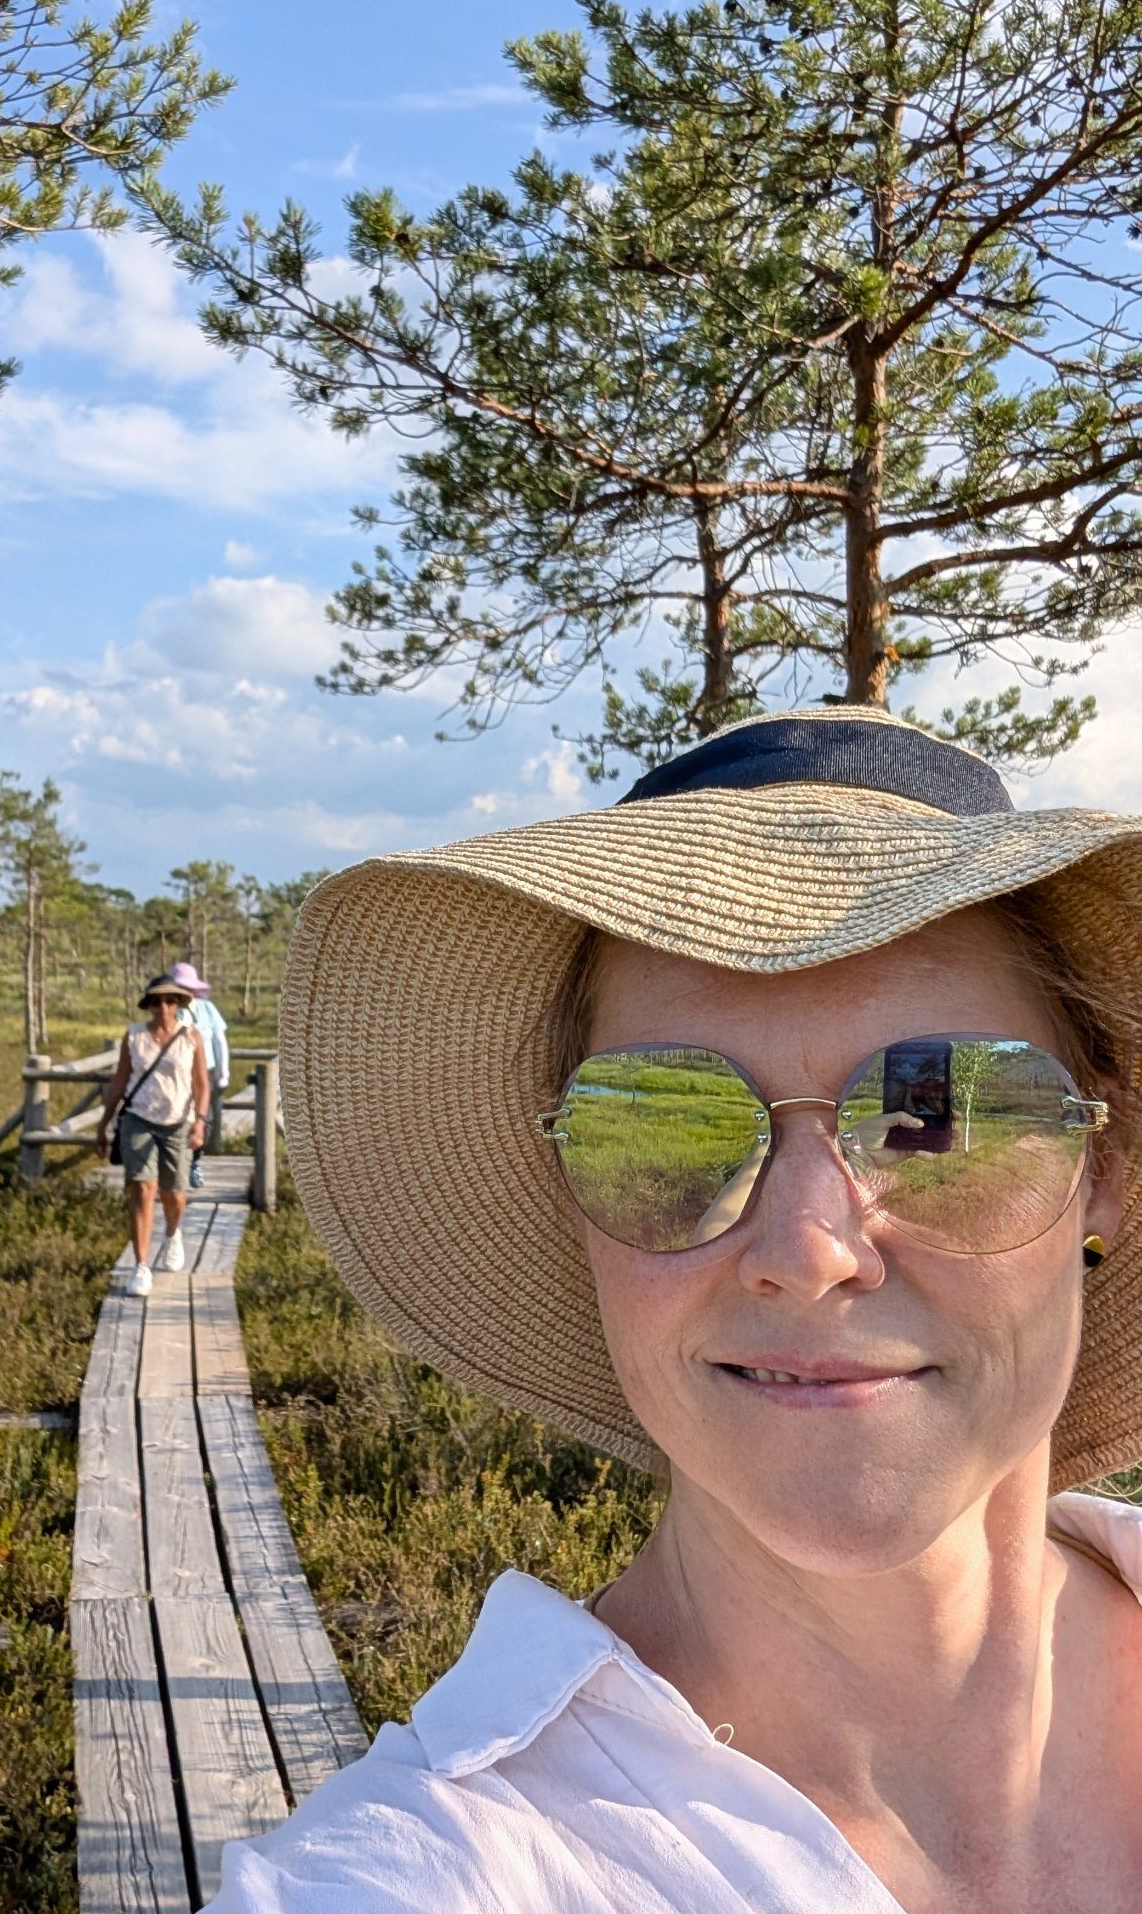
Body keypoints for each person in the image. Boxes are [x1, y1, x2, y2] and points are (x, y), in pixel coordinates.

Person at [207, 706, 1142, 1913]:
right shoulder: (422, 1875)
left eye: (943, 1111)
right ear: (568, 1197)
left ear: (1103, 1168)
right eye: (661, 1123)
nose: (809, 1249)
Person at [96, 974, 210, 1296]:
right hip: (137, 1119)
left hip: (178, 1122)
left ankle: (172, 1234)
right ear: (148, 1005)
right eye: (157, 1001)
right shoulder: (133, 1037)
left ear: (178, 1005)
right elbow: (119, 1082)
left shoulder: (191, 1037)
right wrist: (104, 1123)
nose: (164, 1007)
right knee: (143, 1189)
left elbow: (202, 1084)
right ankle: (141, 1266)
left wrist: (200, 1122)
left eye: (170, 1001)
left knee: (174, 1192)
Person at [166, 960, 230, 1189]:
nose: (186, 992)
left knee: (204, 1118)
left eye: (188, 987)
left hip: (206, 1072)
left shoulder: (207, 1008)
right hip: (177, 1074)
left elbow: (219, 1040)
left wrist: (224, 1072)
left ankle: (194, 1162)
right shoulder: (167, 1010)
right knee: (177, 1117)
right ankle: (176, 1163)